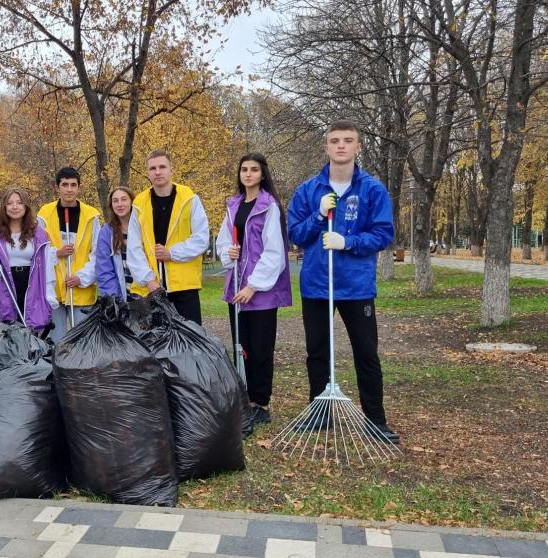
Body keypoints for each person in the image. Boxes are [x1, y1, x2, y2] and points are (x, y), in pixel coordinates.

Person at [286, 119, 400, 444]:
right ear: (326, 147)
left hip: (356, 287)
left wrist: (347, 242)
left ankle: (376, 421)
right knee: (317, 351)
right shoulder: (309, 191)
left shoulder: (372, 189)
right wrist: (318, 216)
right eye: (334, 140)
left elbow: (383, 234)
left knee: (366, 352)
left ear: (357, 146)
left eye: (347, 140)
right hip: (317, 285)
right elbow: (296, 234)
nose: (340, 146)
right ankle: (319, 415)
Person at [215, 153, 292, 424]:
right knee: (241, 345)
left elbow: (274, 252)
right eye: (244, 169)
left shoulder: (268, 206)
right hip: (236, 287)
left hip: (260, 291)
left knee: (260, 347)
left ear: (262, 174)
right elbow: (223, 240)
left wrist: (253, 286)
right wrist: (228, 252)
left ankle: (260, 402)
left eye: (254, 170)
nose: (248, 174)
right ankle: (244, 397)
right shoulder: (233, 205)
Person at [127, 149, 210, 324]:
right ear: (147, 173)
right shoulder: (139, 204)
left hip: (184, 286)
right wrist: (148, 280)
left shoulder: (189, 198)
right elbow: (134, 247)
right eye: (152, 168)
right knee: (154, 345)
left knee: (190, 343)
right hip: (152, 288)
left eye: (162, 167)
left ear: (172, 170)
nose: (157, 172)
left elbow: (201, 238)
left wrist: (171, 253)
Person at [36, 167, 101, 342]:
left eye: (73, 185)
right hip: (53, 291)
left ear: (79, 187)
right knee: (57, 343)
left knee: (84, 341)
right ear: (57, 187)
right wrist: (57, 253)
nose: (69, 189)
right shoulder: (44, 215)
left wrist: (82, 277)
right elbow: (38, 250)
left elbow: (97, 253)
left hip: (81, 291)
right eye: (65, 185)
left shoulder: (91, 216)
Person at [0, 188, 57, 333]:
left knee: (32, 331)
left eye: (19, 202)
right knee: (9, 331)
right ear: (4, 207)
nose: (14, 206)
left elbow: (48, 266)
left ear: (26, 206)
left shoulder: (39, 234)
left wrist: (49, 296)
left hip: (32, 285)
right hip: (5, 286)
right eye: (10, 203)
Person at [95, 186, 138, 301]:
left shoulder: (143, 227)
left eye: (124, 199)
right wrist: (115, 300)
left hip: (145, 294)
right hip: (121, 296)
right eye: (115, 201)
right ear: (111, 205)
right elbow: (104, 269)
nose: (120, 204)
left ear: (132, 202)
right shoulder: (106, 232)